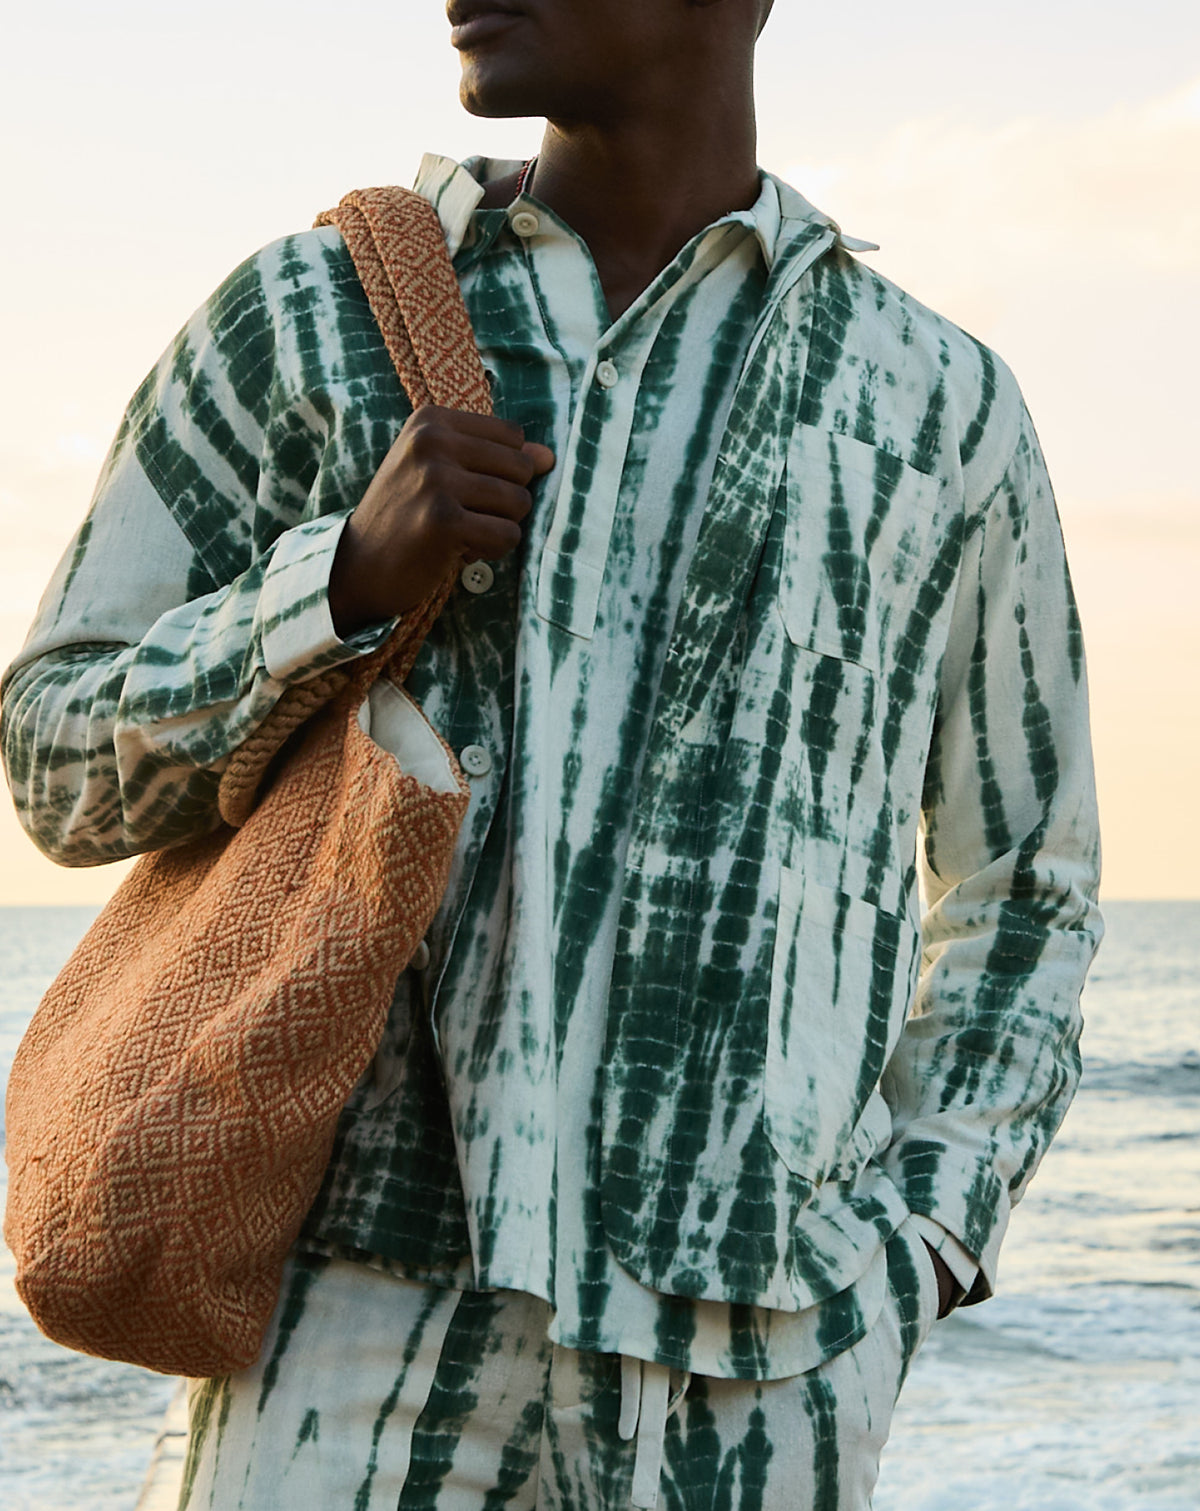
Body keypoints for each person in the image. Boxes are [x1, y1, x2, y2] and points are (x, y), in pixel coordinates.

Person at [1, 1, 1103, 1507]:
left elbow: (1025, 883)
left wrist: (921, 1244)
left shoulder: (936, 407)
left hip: (760, 1372)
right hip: (343, 1338)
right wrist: (325, 589)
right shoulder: (312, 317)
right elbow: (50, 754)